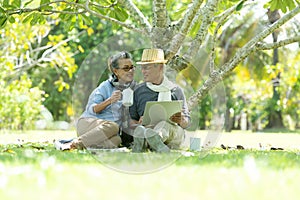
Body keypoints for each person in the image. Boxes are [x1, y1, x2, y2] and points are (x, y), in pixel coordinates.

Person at [55, 51, 136, 150]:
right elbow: (92, 109)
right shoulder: (105, 86)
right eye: (126, 68)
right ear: (116, 71)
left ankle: (85, 145)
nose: (130, 71)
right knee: (114, 127)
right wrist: (110, 100)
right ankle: (74, 143)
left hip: (107, 132)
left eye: (132, 67)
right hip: (87, 124)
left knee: (117, 140)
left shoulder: (132, 89)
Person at [129, 48, 190, 152]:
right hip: (148, 128)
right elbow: (131, 121)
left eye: (147, 68)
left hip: (173, 133)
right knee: (144, 130)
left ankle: (150, 141)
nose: (143, 71)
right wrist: (138, 124)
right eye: (142, 68)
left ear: (160, 67)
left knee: (162, 125)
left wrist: (181, 119)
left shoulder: (175, 90)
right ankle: (154, 143)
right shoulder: (138, 91)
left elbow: (186, 123)